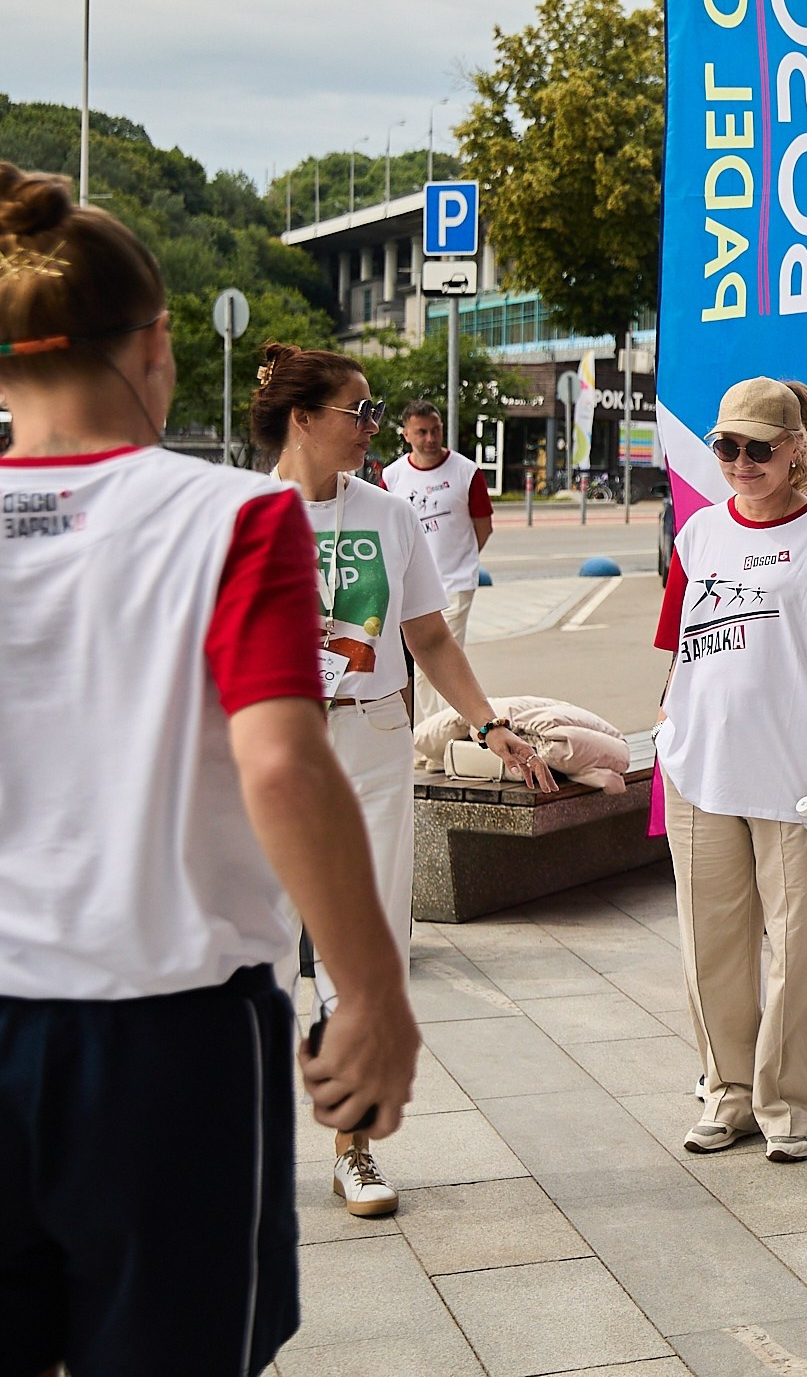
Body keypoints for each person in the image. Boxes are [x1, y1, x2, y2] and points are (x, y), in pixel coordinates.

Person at [0, 164, 418, 1373]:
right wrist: (374, 993)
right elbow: (282, 766)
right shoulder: (231, 519)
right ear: (159, 346)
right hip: (162, 1040)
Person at [257, 343, 554, 1216]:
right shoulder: (241, 515)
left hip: (373, 737)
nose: (373, 429)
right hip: (270, 747)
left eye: (376, 412)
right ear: (303, 419)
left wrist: (490, 723)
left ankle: (356, 1148)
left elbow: (428, 636)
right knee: (262, 944)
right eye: (358, 412)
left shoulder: (388, 514)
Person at [654, 377, 807, 1163]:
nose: (740, 461)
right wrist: (666, 728)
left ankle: (795, 1106)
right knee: (708, 945)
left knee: (798, 949)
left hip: (796, 777)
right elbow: (676, 649)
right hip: (699, 772)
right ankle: (729, 1093)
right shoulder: (698, 535)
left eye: (758, 447)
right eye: (726, 446)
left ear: (795, 451)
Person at [381, 399, 493, 731]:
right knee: (416, 660)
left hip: (454, 582)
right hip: (408, 585)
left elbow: (482, 525)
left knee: (439, 655)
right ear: (406, 434)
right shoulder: (393, 476)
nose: (430, 438)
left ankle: (434, 733)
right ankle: (434, 732)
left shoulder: (466, 472)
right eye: (422, 432)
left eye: (436, 430)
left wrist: (463, 561)